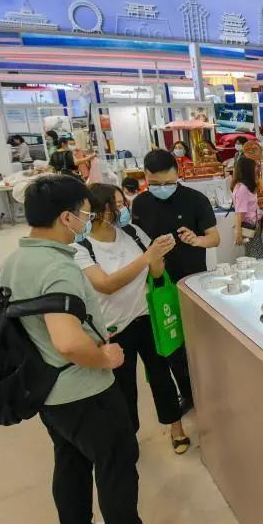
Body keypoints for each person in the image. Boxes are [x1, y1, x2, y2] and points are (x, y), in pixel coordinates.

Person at [0, 174, 185, 524]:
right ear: (65, 217)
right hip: (81, 386)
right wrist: (104, 358)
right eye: (84, 213)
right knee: (116, 459)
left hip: (44, 387)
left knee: (71, 459)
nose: (88, 219)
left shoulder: (13, 263)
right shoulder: (59, 267)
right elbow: (67, 340)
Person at [72, 183, 190, 455]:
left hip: (146, 317)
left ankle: (176, 427)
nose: (123, 209)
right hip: (114, 327)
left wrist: (158, 255)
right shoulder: (82, 249)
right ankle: (128, 438)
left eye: (123, 202)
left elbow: (156, 274)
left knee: (162, 375)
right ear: (98, 211)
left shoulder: (133, 233)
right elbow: (106, 284)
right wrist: (147, 257)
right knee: (123, 387)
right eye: (116, 205)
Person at [132, 150, 217, 413]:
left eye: (168, 182)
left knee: (198, 340)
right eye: (154, 183)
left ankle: (209, 391)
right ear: (145, 176)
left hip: (193, 282)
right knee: (171, 343)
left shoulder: (195, 200)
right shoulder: (140, 203)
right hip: (158, 284)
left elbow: (214, 238)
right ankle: (188, 392)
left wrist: (196, 240)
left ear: (177, 173)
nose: (161, 188)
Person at [231, 156, 263, 258]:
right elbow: (239, 212)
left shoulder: (245, 186)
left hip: (253, 224)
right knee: (254, 255)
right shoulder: (242, 189)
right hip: (249, 226)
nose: (256, 170)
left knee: (255, 253)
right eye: (254, 168)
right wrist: (238, 232)